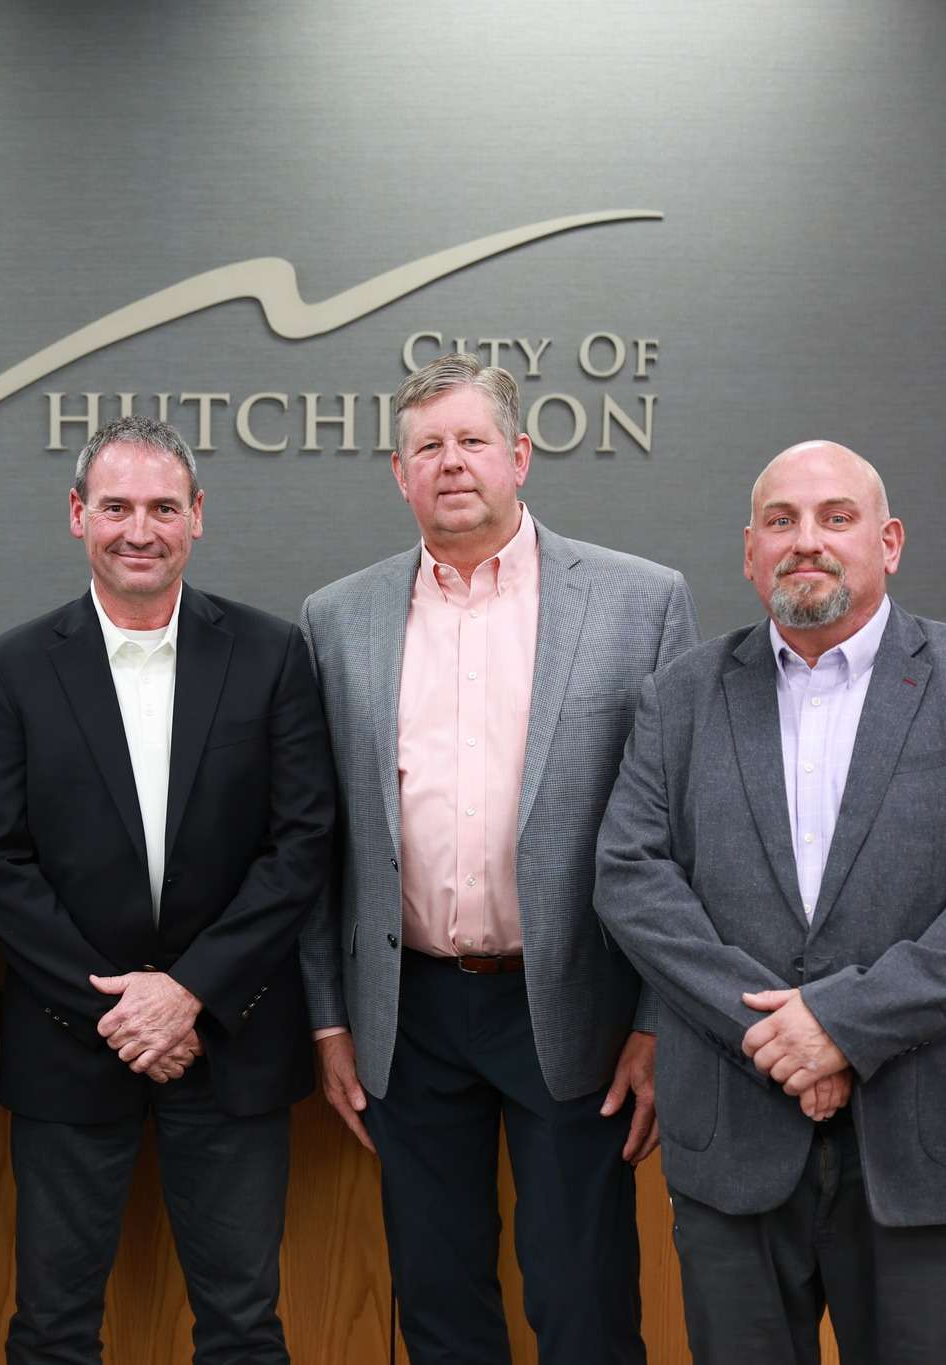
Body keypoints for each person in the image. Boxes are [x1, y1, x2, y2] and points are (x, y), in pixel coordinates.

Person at [594, 440, 946, 1364]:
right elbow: (632, 876)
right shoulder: (679, 696)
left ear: (888, 541)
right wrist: (773, 1035)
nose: (805, 540)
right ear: (748, 551)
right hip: (736, 1139)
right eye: (781, 520)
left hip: (931, 1139)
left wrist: (842, 1024)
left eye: (835, 518)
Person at [299, 352, 698, 1363]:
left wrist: (657, 1023)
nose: (450, 463)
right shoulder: (335, 619)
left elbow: (679, 837)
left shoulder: (638, 604)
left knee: (583, 1306)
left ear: (518, 456)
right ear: (398, 473)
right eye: (426, 446)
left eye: (472, 440)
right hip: (409, 1013)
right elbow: (317, 841)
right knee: (436, 1307)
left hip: (571, 1010)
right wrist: (330, 1019)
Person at [0, 415, 335, 1364]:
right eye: (117, 506)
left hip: (231, 1037)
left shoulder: (271, 654)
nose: (140, 529)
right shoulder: (11, 667)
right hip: (71, 1039)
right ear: (77, 514)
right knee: (50, 1329)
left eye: (163, 507)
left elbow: (302, 843)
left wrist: (187, 992)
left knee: (245, 1327)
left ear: (198, 516)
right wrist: (122, 1010)